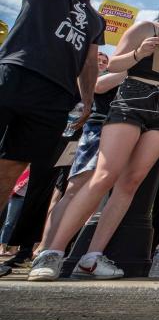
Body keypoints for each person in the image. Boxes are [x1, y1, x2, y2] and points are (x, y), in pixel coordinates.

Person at [29, 10, 159, 281]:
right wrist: (140, 53)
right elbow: (113, 65)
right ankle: (52, 252)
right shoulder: (147, 28)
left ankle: (92, 257)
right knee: (103, 176)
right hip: (135, 97)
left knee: (131, 182)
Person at [0, 0, 107, 213]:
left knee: (10, 171)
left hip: (55, 97)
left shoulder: (96, 20)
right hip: (15, 74)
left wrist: (87, 101)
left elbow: (89, 63)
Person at [34, 56, 125, 254]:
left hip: (122, 130)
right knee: (73, 190)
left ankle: (71, 249)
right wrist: (134, 68)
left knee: (97, 196)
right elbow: (98, 86)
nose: (101, 61)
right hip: (98, 128)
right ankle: (46, 248)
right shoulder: (114, 70)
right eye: (99, 59)